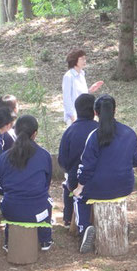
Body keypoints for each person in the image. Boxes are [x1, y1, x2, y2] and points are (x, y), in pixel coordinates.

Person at [73, 95, 137, 253]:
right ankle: (120, 225)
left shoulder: (94, 136)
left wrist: (80, 186)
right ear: (115, 110)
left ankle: (84, 229)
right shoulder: (129, 133)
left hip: (98, 188)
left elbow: (87, 166)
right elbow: (135, 160)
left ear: (95, 113)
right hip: (125, 186)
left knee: (79, 198)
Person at [0, 115, 54, 251]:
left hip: (10, 210)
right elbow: (46, 185)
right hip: (38, 211)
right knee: (46, 202)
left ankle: (8, 241)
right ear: (35, 134)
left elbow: (2, 182)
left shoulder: (4, 156)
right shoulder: (44, 155)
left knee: (10, 203)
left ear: (15, 132)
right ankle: (45, 240)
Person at [58, 94, 98, 228]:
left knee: (67, 183)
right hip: (100, 179)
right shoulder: (101, 129)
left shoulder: (70, 131)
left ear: (76, 110)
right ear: (95, 111)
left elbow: (62, 161)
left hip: (76, 180)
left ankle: (68, 219)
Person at [62, 49, 104, 125]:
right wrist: (73, 117)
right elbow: (66, 99)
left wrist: (90, 90)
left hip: (85, 113)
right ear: (75, 60)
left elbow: (82, 94)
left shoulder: (81, 74)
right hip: (74, 115)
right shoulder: (68, 76)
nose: (84, 61)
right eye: (82, 59)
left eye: (85, 58)